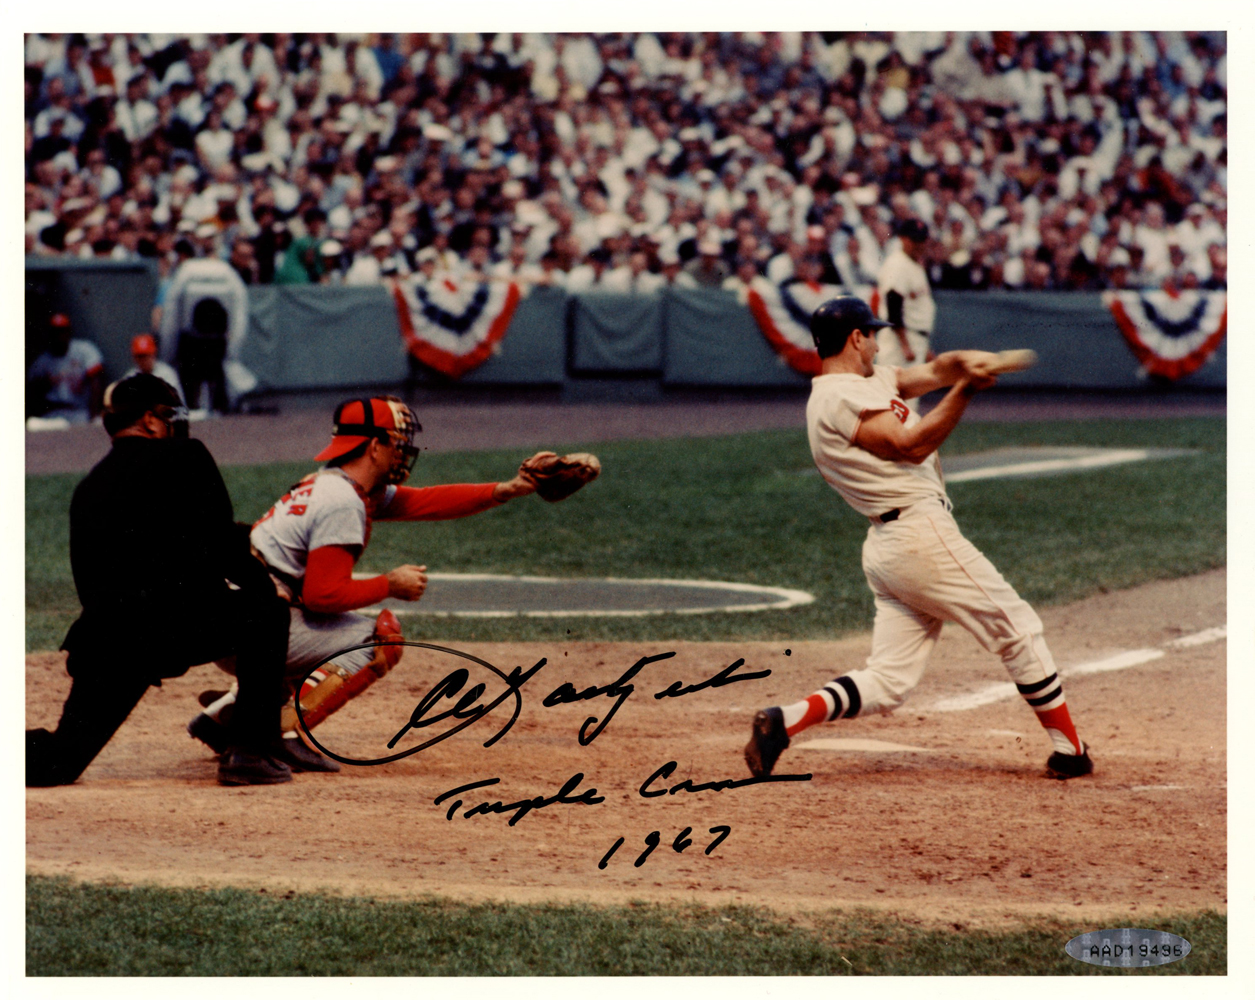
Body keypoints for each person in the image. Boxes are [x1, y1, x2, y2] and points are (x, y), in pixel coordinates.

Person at [743, 296, 1092, 781]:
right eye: (873, 333)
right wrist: (966, 391)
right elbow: (910, 446)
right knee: (1017, 629)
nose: (880, 340)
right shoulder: (836, 397)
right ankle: (1069, 750)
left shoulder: (871, 379)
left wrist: (965, 363)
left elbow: (931, 371)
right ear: (855, 339)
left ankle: (783, 721)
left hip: (895, 547)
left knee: (888, 683)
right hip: (917, 536)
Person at [186, 396, 548, 751]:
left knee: (310, 623)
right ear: (374, 446)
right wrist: (389, 584)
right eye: (397, 442)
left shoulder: (330, 482)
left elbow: (425, 501)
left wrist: (508, 490)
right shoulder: (342, 502)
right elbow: (323, 596)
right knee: (377, 639)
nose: (404, 451)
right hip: (248, 630)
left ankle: (222, 716)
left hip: (230, 619)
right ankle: (278, 732)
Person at [25, 374, 317, 787]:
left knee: (59, 762)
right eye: (168, 417)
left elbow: (88, 580)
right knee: (265, 613)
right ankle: (249, 751)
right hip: (173, 626)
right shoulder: (186, 454)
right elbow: (221, 543)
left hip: (107, 638)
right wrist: (266, 587)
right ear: (149, 420)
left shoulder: (89, 486)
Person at [875, 218, 936, 400]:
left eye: (923, 239)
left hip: (913, 338)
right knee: (894, 400)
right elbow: (894, 305)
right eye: (915, 240)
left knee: (906, 402)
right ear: (903, 239)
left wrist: (923, 348)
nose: (920, 245)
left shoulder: (914, 264)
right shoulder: (898, 264)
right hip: (899, 341)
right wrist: (905, 345)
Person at [26, 313, 105, 424]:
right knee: (32, 424)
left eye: (63, 330)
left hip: (80, 411)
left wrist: (94, 414)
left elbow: (96, 381)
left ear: (69, 331)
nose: (59, 335)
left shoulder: (84, 350)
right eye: (55, 332)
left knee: (97, 423)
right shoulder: (41, 362)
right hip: (54, 414)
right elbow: (32, 391)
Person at [124, 333, 184, 403]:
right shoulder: (130, 377)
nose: (143, 360)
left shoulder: (166, 373)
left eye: (146, 355)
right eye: (140, 356)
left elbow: (176, 404)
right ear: (134, 358)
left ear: (153, 354)